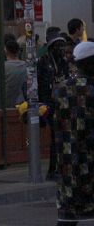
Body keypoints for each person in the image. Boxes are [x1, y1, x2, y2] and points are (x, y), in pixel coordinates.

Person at [52, 41, 94, 225]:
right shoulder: (92, 88)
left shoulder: (60, 89)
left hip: (67, 160)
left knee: (67, 212)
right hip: (90, 160)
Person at [40, 29, 70, 180]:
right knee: (54, 137)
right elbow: (40, 84)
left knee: (62, 137)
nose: (61, 50)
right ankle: (53, 169)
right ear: (52, 48)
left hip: (63, 103)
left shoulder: (64, 62)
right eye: (58, 46)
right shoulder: (44, 61)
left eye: (63, 46)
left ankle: (60, 167)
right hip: (49, 104)